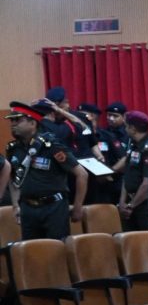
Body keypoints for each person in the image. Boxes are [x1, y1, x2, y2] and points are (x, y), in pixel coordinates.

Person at [6, 101, 88, 240]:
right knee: (31, 249)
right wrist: (15, 205)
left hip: (54, 208)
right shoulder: (14, 149)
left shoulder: (51, 146)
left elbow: (82, 174)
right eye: (12, 120)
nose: (13, 124)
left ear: (33, 123)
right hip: (28, 208)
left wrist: (78, 207)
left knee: (56, 248)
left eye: (18, 120)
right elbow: (14, 178)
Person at [118, 110, 148, 231]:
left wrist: (131, 206)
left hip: (144, 205)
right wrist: (122, 202)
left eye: (126, 126)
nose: (125, 129)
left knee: (144, 238)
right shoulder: (134, 145)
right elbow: (127, 174)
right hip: (131, 203)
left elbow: (147, 184)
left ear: (133, 129)